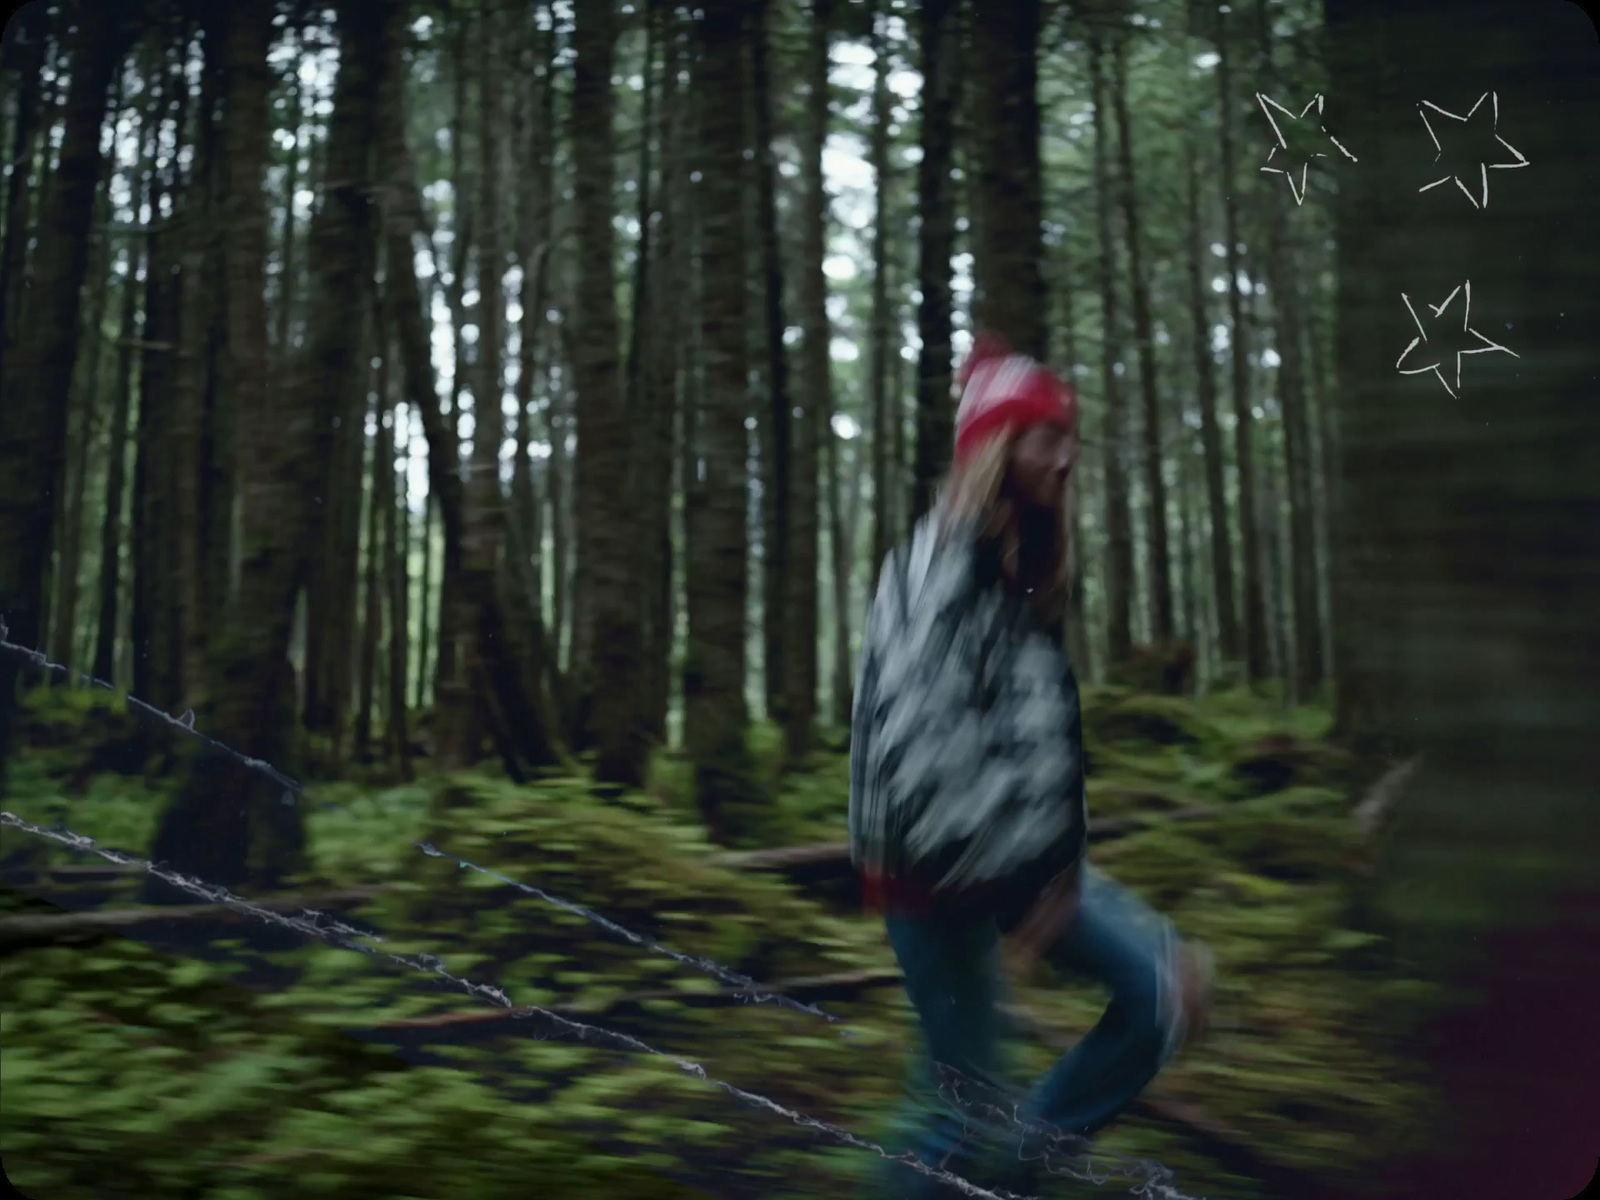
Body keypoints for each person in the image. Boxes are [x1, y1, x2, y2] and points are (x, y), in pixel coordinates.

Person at [848, 333, 1213, 1198]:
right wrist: (1024, 889)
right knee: (957, 1112)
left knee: (1161, 992)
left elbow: (1035, 745)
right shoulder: (938, 575)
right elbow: (920, 759)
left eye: (1067, 436)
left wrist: (1054, 871)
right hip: (938, 881)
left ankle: (1016, 1176)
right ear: (999, 450)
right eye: (1047, 437)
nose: (1067, 455)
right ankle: (993, 1172)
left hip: (1024, 868)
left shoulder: (1015, 576)